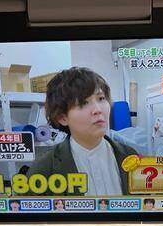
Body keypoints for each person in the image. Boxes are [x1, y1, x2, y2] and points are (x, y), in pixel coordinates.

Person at [27, 67, 138, 195]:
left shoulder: (129, 156)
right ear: (63, 118)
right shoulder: (44, 170)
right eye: (83, 103)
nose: (98, 110)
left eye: (101, 99)